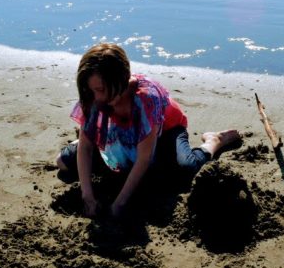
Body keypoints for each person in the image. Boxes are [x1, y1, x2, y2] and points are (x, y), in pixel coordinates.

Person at [56, 42, 240, 219]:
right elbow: (86, 147)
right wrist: (87, 197)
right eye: (92, 90)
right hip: (120, 135)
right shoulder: (95, 97)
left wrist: (119, 205)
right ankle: (107, 145)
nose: (97, 97)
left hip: (164, 134)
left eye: (101, 90)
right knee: (63, 161)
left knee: (184, 170)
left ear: (121, 80)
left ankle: (213, 141)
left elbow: (144, 159)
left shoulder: (145, 99)